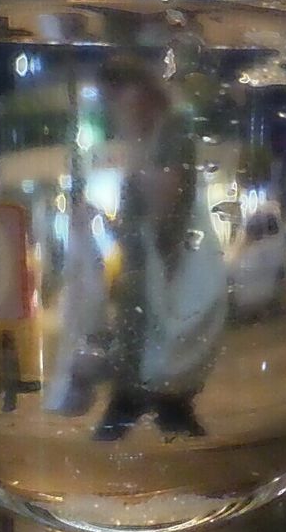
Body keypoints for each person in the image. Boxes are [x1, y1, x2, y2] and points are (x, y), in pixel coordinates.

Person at [92, 54, 227, 441]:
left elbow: (166, 202)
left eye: (116, 96)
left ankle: (127, 419)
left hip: (164, 269)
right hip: (148, 270)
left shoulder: (170, 129)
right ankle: (152, 414)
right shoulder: (155, 133)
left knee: (147, 363)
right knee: (153, 374)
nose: (114, 107)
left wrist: (135, 152)